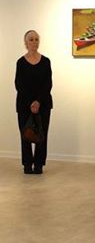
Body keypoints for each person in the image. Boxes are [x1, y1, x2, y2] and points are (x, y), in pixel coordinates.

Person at [15, 30, 53, 174]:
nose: (34, 42)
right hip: (24, 104)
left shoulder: (46, 61)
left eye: (36, 39)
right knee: (25, 134)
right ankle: (27, 164)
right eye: (31, 39)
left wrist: (38, 101)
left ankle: (38, 164)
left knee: (41, 135)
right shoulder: (20, 62)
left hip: (43, 104)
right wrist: (31, 102)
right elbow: (19, 85)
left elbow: (48, 84)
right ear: (25, 43)